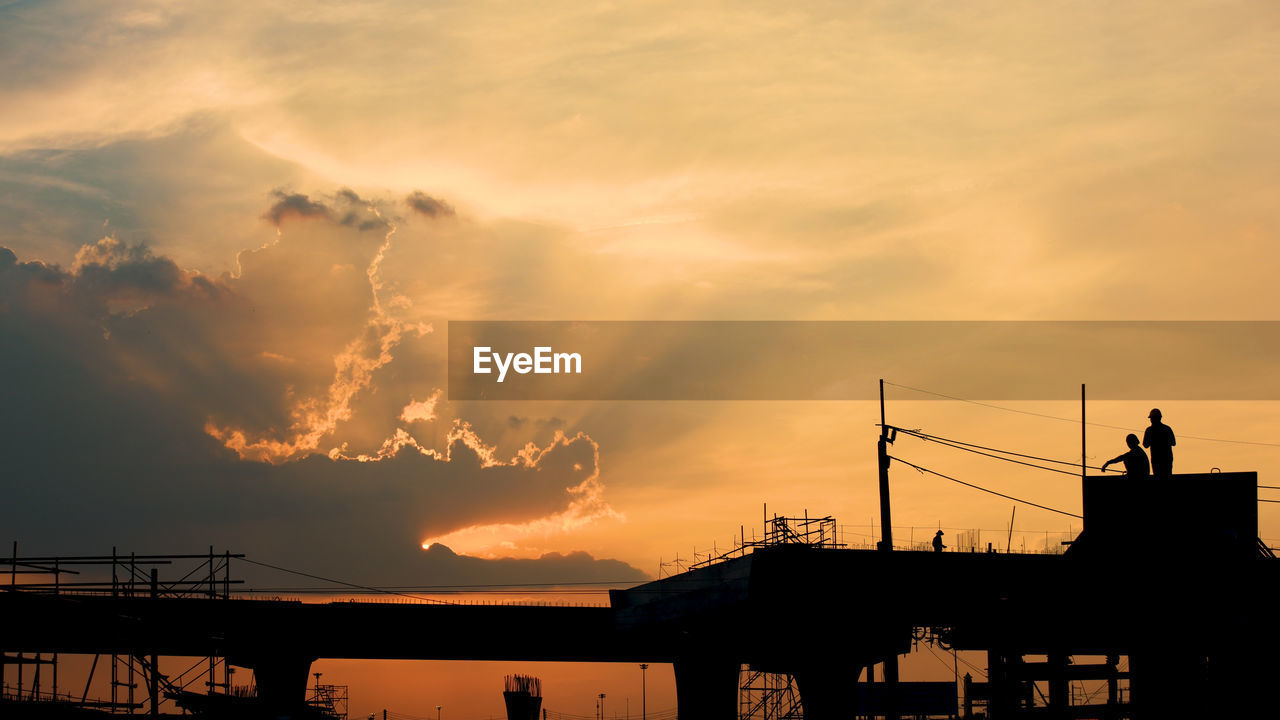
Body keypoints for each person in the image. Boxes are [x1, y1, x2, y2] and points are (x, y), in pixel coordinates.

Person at [1143, 408, 1176, 478]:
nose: (1151, 420)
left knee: (1158, 476)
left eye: (1151, 418)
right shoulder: (1167, 429)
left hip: (1157, 459)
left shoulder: (1149, 430)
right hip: (1166, 459)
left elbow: (1145, 445)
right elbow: (1173, 443)